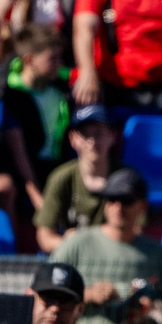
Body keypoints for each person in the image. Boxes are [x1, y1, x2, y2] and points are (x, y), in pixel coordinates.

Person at [49, 164, 162, 324]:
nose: (118, 207)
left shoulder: (156, 253)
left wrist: (152, 306)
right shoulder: (78, 242)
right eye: (111, 199)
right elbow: (45, 289)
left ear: (142, 206)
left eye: (126, 200)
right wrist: (87, 294)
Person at [33, 100, 123, 248]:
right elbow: (44, 237)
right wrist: (73, 244)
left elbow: (134, 233)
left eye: (99, 133)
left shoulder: (125, 179)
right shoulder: (60, 178)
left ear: (113, 136)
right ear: (72, 139)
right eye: (85, 134)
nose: (92, 141)